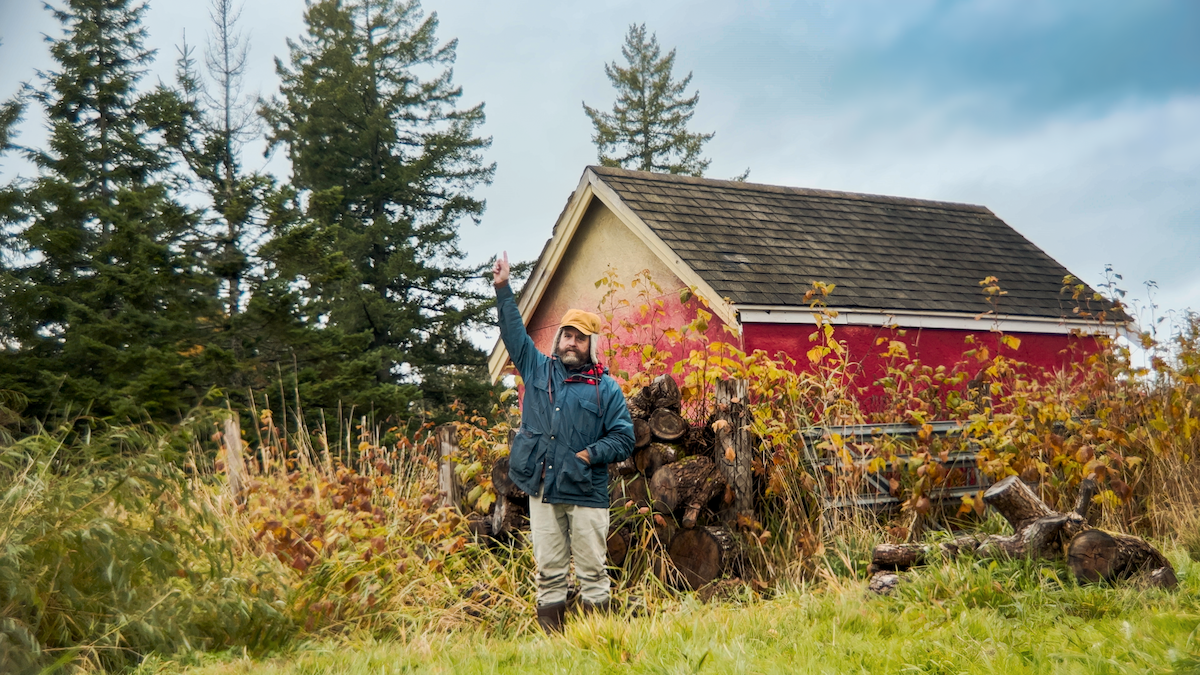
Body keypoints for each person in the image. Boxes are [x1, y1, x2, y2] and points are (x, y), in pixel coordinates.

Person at [492, 251, 635, 633]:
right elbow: (513, 333)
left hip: (586, 491)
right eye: (567, 335)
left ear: (591, 344)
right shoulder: (538, 367)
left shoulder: (606, 388)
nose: (571, 343)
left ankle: (596, 641)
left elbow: (624, 438)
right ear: (559, 338)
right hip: (543, 488)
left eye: (580, 338)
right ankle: (554, 646)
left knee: (592, 571)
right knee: (549, 570)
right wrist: (503, 288)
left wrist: (589, 455)